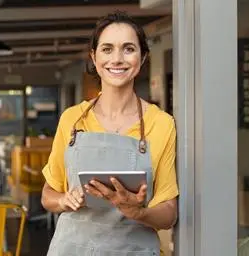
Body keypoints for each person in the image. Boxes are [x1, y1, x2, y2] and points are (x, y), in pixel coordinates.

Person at [41, 12, 178, 255]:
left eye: (128, 49)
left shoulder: (161, 124)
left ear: (143, 57)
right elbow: (48, 194)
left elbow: (168, 213)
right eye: (107, 49)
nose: (117, 59)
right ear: (94, 57)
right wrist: (64, 200)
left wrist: (139, 212)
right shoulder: (72, 120)